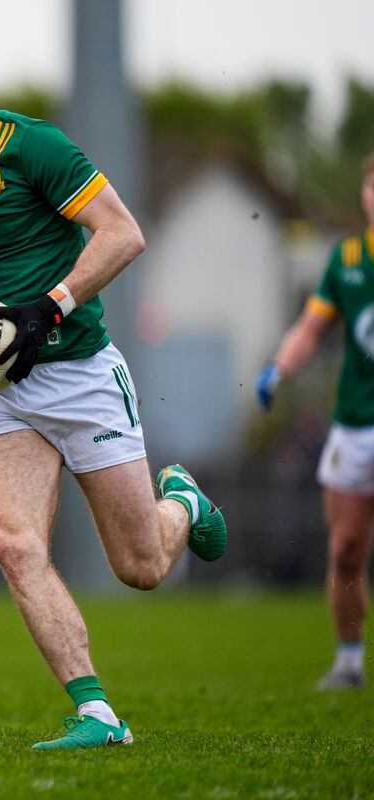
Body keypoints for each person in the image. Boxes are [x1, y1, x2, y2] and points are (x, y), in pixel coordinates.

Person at [0, 25, 227, 750]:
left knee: (138, 567)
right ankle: (97, 713)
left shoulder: (29, 145)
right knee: (13, 544)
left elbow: (123, 233)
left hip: (80, 371)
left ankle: (181, 504)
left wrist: (50, 306)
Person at [255, 154, 374, 691]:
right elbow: (311, 327)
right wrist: (281, 369)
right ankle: (349, 662)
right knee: (346, 547)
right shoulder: (348, 257)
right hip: (354, 423)